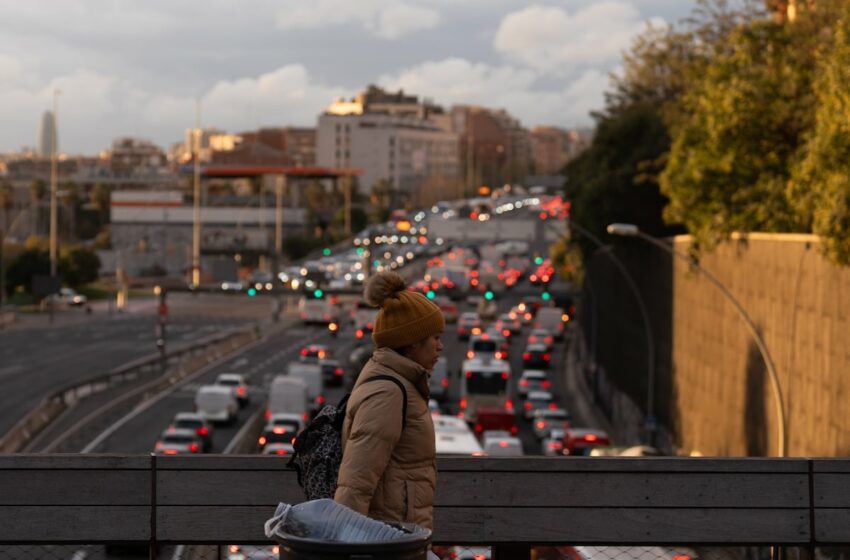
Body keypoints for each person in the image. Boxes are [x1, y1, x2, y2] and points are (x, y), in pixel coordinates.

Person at [334, 271, 444, 531]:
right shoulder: (388, 393)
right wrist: (344, 542)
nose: (440, 347)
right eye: (435, 338)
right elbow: (355, 483)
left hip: (398, 535)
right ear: (411, 343)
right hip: (387, 539)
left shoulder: (400, 383)